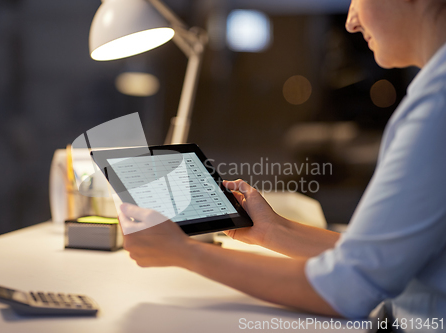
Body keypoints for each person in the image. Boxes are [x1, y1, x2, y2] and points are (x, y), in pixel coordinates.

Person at [118, 0, 446, 329]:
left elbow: (349, 288)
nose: (350, 22)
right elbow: (376, 259)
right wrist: (272, 231)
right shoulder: (433, 95)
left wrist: (184, 252)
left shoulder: (437, 110)